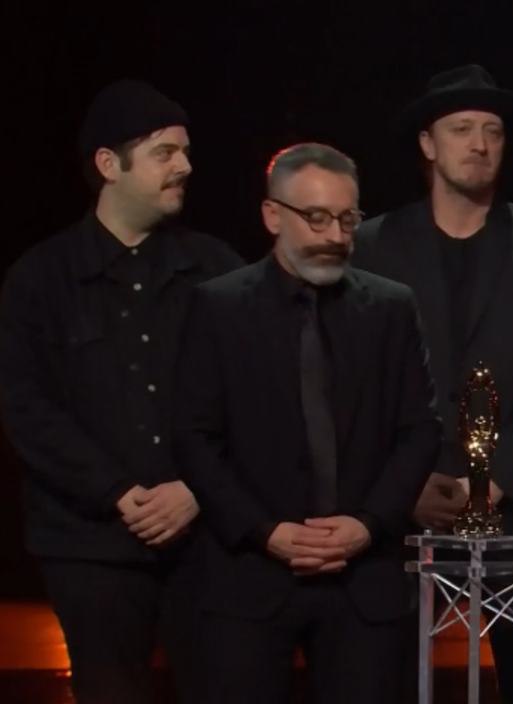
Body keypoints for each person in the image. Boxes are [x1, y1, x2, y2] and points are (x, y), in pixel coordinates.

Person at [0, 80, 245, 704]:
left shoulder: (217, 270)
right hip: (89, 546)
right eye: (165, 152)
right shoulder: (39, 279)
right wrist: (116, 492)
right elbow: (25, 406)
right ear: (110, 164)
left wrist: (195, 488)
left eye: (186, 151)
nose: (185, 166)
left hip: (206, 541)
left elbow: (254, 394)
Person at [172, 142, 441, 704]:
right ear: (273, 215)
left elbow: (419, 430)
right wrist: (266, 532)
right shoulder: (217, 307)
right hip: (249, 579)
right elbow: (195, 438)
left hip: (365, 582)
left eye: (348, 218)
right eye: (316, 218)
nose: (336, 235)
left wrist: (367, 525)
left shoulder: (392, 309)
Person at [351, 64, 513, 703]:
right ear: (428, 144)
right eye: (461, 129)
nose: (479, 144)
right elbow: (358, 383)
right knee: (388, 680)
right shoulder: (372, 244)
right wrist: (407, 481)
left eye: (493, 131)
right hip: (403, 507)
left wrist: (495, 476)